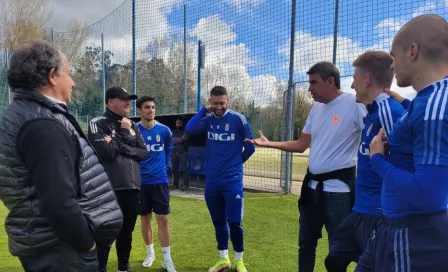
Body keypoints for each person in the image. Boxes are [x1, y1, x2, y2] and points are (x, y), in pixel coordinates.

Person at [0, 40, 123, 272]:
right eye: (69, 73)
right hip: (62, 251)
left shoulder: (27, 113)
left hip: (54, 247)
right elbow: (58, 201)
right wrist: (86, 244)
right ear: (52, 76)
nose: (74, 82)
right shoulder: (42, 123)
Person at [247, 61, 367, 272]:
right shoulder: (316, 109)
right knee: (305, 245)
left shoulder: (354, 104)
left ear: (330, 82)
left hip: (339, 192)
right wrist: (269, 144)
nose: (309, 88)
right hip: (312, 190)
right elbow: (302, 145)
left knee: (338, 250)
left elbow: (374, 137)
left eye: (314, 82)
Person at [356, 14, 448, 272]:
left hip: (413, 237)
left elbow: (427, 194)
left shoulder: (434, 107)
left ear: (413, 51)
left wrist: (377, 160)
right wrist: (405, 102)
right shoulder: (425, 102)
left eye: (394, 57)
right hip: (392, 228)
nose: (392, 67)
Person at [324, 51, 406, 272]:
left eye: (355, 78)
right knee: (333, 260)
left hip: (377, 213)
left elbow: (408, 161)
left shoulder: (389, 112)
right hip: (360, 210)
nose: (352, 84)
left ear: (367, 80)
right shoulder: (372, 113)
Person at [185, 86, 255, 272]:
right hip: (212, 181)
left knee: (234, 222)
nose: (218, 107)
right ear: (210, 101)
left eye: (222, 103)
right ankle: (223, 259)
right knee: (218, 221)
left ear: (227, 101)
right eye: (215, 103)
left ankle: (239, 260)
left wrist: (237, 164)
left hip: (232, 180)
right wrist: (203, 110)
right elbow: (190, 128)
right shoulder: (207, 119)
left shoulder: (238, 119)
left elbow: (251, 146)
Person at [88, 86, 149, 272]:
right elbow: (107, 152)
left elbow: (143, 153)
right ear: (111, 101)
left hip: (132, 188)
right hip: (108, 189)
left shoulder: (133, 124)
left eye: (129, 99)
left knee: (126, 233)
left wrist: (120, 144)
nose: (128, 103)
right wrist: (123, 134)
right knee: (105, 232)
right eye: (123, 99)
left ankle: (124, 267)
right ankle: (100, 269)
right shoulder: (97, 123)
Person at [135, 96, 177, 272]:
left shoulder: (165, 131)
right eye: (147, 107)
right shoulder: (133, 130)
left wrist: (165, 164)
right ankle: (150, 253)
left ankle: (167, 260)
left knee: (163, 219)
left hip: (159, 180)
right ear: (139, 110)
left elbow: (168, 149)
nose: (151, 110)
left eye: (152, 107)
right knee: (145, 218)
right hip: (140, 182)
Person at [171, 116, 190, 190]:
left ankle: (186, 185)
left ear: (182, 123)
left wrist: (176, 140)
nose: (178, 124)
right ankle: (175, 184)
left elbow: (184, 139)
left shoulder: (186, 131)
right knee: (174, 169)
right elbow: (171, 140)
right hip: (174, 152)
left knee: (184, 169)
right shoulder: (173, 131)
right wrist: (179, 139)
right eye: (177, 123)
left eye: (179, 123)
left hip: (183, 152)